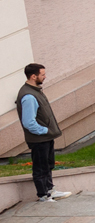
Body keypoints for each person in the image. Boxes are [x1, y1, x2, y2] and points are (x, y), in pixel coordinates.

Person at [16, 63, 71, 203]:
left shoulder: (35, 91)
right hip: (39, 139)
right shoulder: (29, 96)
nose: (45, 77)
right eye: (42, 74)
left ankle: (50, 190)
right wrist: (45, 131)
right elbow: (29, 122)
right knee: (40, 167)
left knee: (48, 164)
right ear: (33, 76)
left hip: (45, 138)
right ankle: (43, 196)